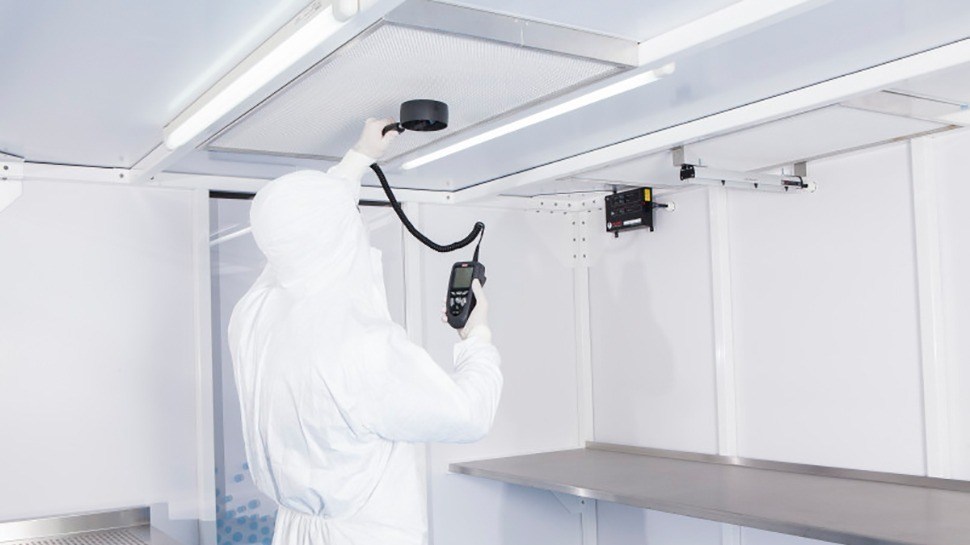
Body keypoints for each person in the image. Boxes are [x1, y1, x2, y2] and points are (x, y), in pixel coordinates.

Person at [228, 118, 502, 545]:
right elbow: (468, 416)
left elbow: (294, 232)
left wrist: (357, 160)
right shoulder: (361, 345)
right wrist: (476, 339)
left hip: (295, 529)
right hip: (362, 534)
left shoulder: (253, 314)